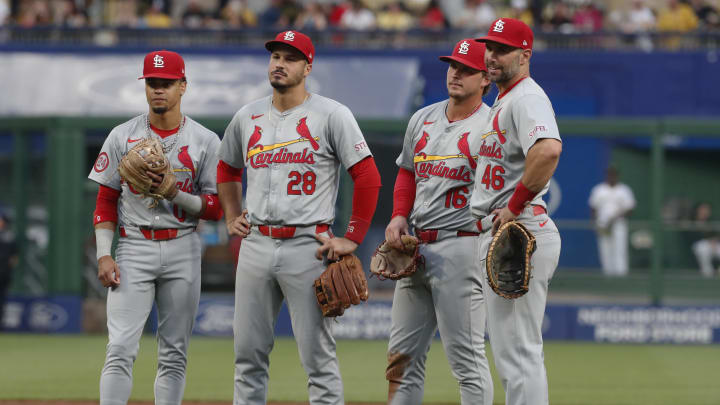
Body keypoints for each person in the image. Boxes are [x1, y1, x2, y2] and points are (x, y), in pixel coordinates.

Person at [217, 30, 381, 405]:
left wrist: (352, 237)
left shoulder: (332, 114)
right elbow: (226, 167)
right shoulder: (248, 116)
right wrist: (230, 215)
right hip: (256, 243)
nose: (279, 63)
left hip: (308, 246)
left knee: (318, 358)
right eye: (275, 56)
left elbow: (368, 176)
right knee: (247, 356)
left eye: (290, 58)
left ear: (308, 67)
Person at [88, 50, 223, 405]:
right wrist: (105, 254)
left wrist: (173, 193)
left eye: (166, 83)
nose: (158, 90)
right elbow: (105, 201)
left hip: (183, 246)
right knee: (119, 347)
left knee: (174, 353)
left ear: (183, 86)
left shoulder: (206, 140)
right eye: (152, 83)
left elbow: (217, 208)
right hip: (134, 245)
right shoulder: (122, 136)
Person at [382, 39, 493, 404]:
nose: (456, 73)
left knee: (466, 359)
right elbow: (407, 173)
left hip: (463, 243)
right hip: (415, 247)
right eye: (452, 66)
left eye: (466, 69)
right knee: (401, 358)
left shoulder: (492, 126)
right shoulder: (423, 118)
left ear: (486, 79)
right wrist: (399, 215)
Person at [471, 18, 563, 405]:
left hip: (519, 232)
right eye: (490, 47)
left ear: (525, 55)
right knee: (513, 354)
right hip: (511, 229)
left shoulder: (526, 98)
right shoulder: (505, 98)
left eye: (503, 49)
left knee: (520, 353)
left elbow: (548, 150)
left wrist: (512, 205)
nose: (492, 55)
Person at [588, 166, 636, 277]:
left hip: (619, 224)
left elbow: (630, 208)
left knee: (620, 249)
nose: (611, 177)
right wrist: (595, 224)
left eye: (613, 174)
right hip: (603, 223)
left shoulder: (624, 190)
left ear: (617, 176)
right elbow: (593, 207)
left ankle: (621, 275)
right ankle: (608, 275)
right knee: (605, 249)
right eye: (609, 174)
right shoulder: (599, 189)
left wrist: (616, 217)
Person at [690, 202, 720, 278]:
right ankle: (708, 274)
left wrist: (714, 241)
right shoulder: (692, 220)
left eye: (706, 209)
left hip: (714, 244)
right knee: (703, 249)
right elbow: (693, 239)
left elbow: (715, 235)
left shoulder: (711, 220)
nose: (705, 211)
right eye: (703, 209)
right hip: (699, 246)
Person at [0, 211, 18, 330]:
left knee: (2, 298)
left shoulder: (10, 236)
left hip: (4, 273)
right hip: (5, 272)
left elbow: (14, 257)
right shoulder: (11, 236)